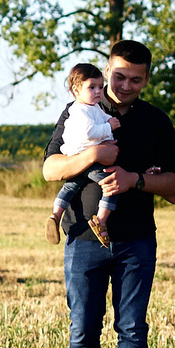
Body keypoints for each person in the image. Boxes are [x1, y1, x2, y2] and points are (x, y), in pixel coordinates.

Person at [40, 40, 175, 348]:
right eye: (119, 76)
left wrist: (134, 179)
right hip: (83, 238)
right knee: (83, 330)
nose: (124, 85)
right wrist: (93, 156)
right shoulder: (80, 108)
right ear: (106, 71)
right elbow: (50, 169)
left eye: (135, 79)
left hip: (136, 240)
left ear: (146, 79)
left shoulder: (155, 121)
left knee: (133, 328)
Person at [47, 62, 121, 245]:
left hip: (79, 158)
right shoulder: (80, 111)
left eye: (100, 87)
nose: (98, 91)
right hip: (85, 157)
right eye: (92, 87)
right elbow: (90, 132)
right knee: (111, 185)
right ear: (76, 90)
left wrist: (108, 120)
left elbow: (102, 117)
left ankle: (55, 215)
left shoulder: (91, 107)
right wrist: (109, 127)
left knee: (71, 186)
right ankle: (101, 220)